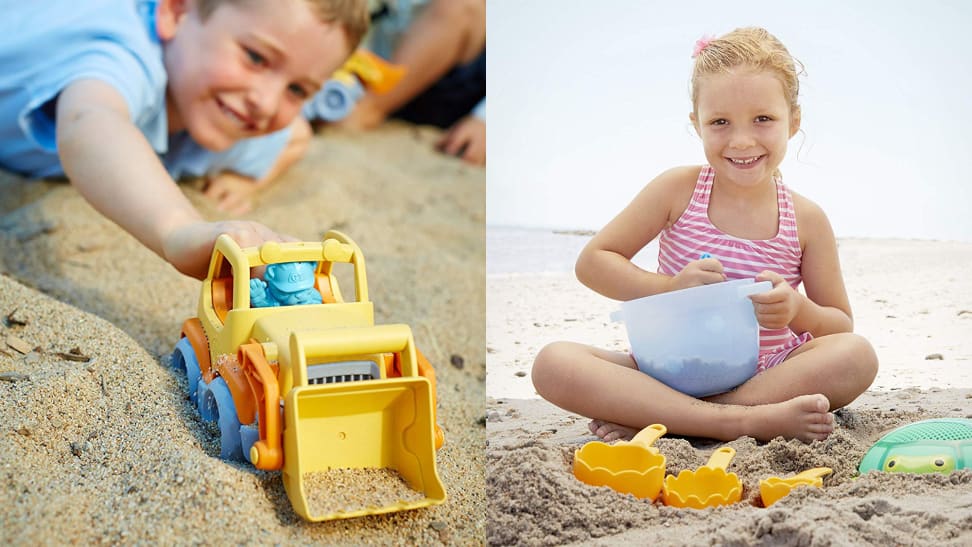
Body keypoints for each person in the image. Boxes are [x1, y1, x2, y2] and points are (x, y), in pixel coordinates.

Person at [531, 28, 878, 444]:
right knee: (553, 363)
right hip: (664, 373)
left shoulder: (806, 219)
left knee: (857, 356)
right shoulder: (678, 190)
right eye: (720, 122)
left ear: (794, 121)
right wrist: (671, 287)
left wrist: (796, 309)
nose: (742, 140)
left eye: (763, 119)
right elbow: (594, 262)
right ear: (697, 125)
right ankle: (741, 422)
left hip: (766, 375)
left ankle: (672, 418)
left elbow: (839, 326)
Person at [0, 0, 369, 278]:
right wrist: (179, 229)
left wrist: (244, 180)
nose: (267, 102)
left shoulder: (230, 111)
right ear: (176, 11)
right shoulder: (126, 53)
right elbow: (90, 120)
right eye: (256, 57)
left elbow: (297, 137)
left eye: (297, 89)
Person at [328, 0, 486, 166]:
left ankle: (364, 110)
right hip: (382, 62)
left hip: (458, 85)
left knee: (461, 6)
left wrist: (485, 119)